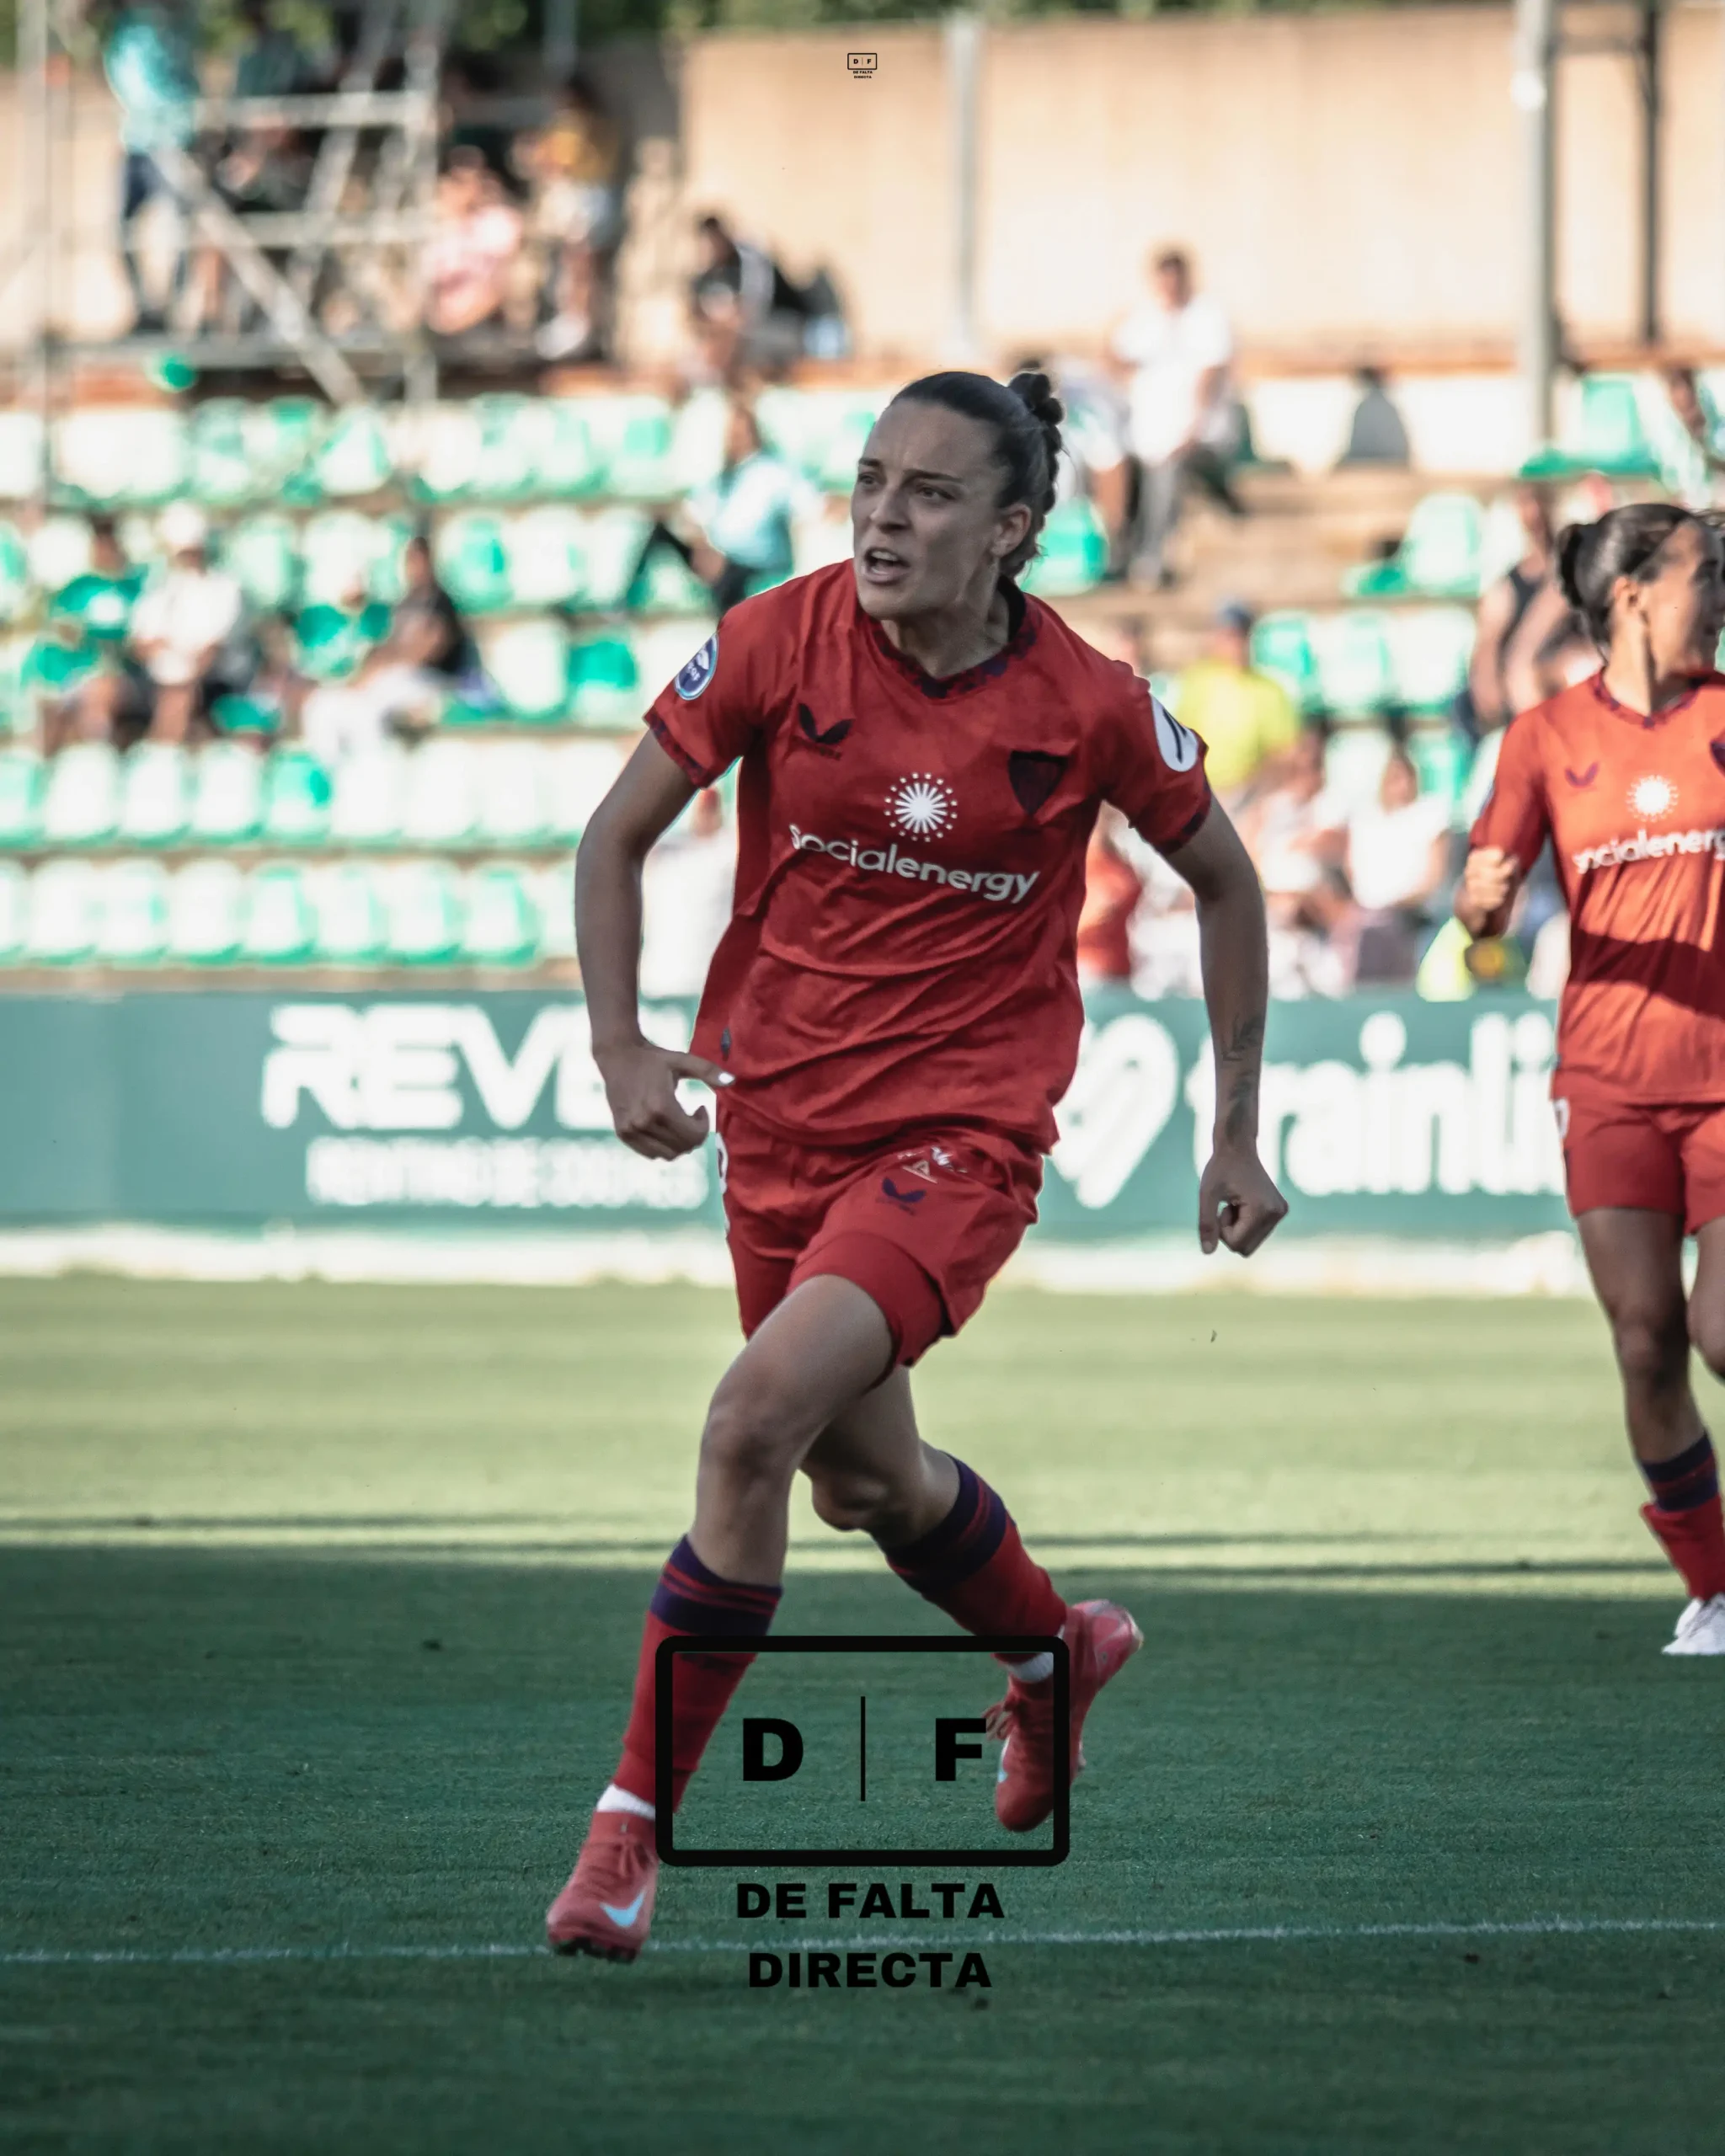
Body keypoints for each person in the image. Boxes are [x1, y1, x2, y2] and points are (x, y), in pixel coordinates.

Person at [547, 368, 1287, 1962]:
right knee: (861, 1481)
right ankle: (1055, 1652)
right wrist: (618, 1040)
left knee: (747, 1428)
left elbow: (1227, 886)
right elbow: (611, 838)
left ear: (1012, 531)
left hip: (957, 1138)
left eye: (930, 494)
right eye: (871, 481)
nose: (884, 515)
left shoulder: (1087, 703)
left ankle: (625, 1837)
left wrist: (1232, 1129)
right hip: (776, 1129)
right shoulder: (770, 639)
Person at [1457, 503, 1725, 1655]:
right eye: (1702, 575)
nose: (1716, 593)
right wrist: (1479, 904)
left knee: (1723, 1333)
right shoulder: (1543, 736)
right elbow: (1490, 880)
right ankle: (1714, 1589)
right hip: (1607, 1080)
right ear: (1634, 596)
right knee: (1644, 1342)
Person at [1108, 248, 1244, 588]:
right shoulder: (1144, 319)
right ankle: (1119, 553)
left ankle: (1151, 557)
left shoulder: (1207, 317)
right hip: (1150, 435)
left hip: (1199, 434)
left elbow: (1210, 376)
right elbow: (1114, 355)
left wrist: (1194, 426)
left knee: (1168, 472)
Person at [631, 399, 817, 616]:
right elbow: (693, 512)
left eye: (740, 432)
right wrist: (703, 547)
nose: (735, 438)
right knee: (660, 530)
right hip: (718, 557)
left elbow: (809, 506)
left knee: (732, 587)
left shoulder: (774, 471)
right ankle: (627, 603)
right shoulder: (723, 476)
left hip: (755, 563)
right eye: (731, 433)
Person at [298, 536, 472, 760]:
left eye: (419, 560)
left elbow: (430, 647)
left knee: (371, 707)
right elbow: (387, 647)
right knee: (327, 703)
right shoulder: (406, 600)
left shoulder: (439, 600)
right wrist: (366, 674)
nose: (414, 567)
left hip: (432, 680)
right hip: (398, 677)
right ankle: (335, 768)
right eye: (410, 560)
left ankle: (374, 767)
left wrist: (386, 665)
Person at [103, 0, 200, 334]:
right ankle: (146, 310)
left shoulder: (165, 20)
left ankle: (172, 313)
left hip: (172, 138)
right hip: (137, 142)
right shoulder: (122, 29)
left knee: (180, 230)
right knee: (122, 230)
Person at [518, 74, 622, 363]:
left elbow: (558, 162)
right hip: (596, 197)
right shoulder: (596, 122)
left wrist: (534, 152)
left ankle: (579, 327)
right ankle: (579, 326)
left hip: (586, 198)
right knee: (579, 265)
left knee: (580, 265)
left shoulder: (575, 124)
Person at [128, 503, 250, 742]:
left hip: (216, 679)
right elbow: (140, 645)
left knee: (178, 695)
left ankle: (164, 749)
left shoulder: (227, 589)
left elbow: (213, 651)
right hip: (161, 677)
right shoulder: (157, 588)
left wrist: (181, 664)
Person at [1343, 745, 1451, 985]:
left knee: (1382, 931)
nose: (1401, 786)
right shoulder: (1366, 819)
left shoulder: (1430, 814)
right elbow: (1353, 869)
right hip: (1369, 912)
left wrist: (1393, 904)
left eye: (1406, 778)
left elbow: (1433, 877)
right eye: (1394, 779)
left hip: (1414, 914)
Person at [1172, 601, 1300, 803]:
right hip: (1201, 792)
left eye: (1239, 636)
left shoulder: (1270, 690)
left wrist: (1253, 787)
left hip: (1253, 795)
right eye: (1227, 635)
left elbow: (1285, 753)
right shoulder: (1196, 681)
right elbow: (1179, 737)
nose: (1233, 644)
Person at [42, 516, 152, 752]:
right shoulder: (77, 587)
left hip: (126, 674)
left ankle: (96, 753)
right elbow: (60, 630)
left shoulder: (135, 588)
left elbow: (142, 637)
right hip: (77, 670)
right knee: (49, 703)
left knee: (103, 689)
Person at [686, 212, 809, 383]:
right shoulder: (706, 273)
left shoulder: (749, 262)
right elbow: (694, 318)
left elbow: (751, 313)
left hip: (778, 328)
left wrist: (725, 329)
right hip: (731, 341)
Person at [423, 148, 525, 339]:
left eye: (468, 181)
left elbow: (501, 284)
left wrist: (461, 322)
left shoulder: (499, 222)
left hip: (481, 322)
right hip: (432, 321)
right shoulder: (430, 227)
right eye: (455, 181)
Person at [1338, 365, 1411, 468]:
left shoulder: (1367, 406)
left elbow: (1361, 447)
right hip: (1392, 460)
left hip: (1378, 462)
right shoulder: (1388, 406)